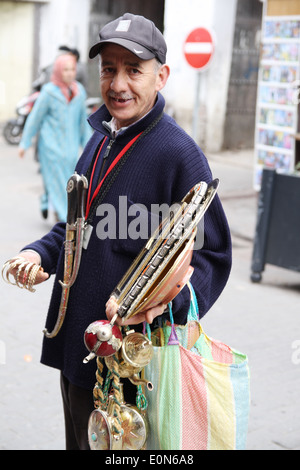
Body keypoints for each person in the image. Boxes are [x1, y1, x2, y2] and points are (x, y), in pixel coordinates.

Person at [6, 13, 232, 450]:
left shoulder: (179, 154)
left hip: (132, 367)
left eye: (134, 69)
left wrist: (163, 308)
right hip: (80, 350)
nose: (118, 83)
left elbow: (213, 256)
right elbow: (77, 227)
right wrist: (39, 254)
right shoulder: (100, 138)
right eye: (109, 68)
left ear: (161, 76)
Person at [19, 53, 92, 221]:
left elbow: (82, 122)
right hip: (51, 146)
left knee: (66, 181)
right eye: (65, 69)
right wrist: (25, 142)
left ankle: (46, 201)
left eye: (72, 69)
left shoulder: (79, 92)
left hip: (71, 148)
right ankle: (65, 218)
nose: (69, 73)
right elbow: (35, 118)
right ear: (58, 71)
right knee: (58, 182)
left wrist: (89, 146)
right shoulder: (48, 92)